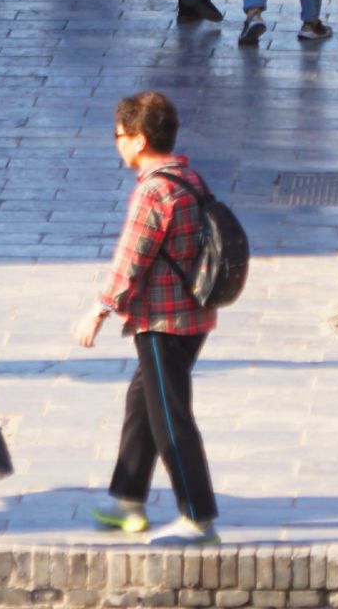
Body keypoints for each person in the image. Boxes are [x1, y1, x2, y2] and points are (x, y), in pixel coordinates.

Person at [76, 90, 222, 542]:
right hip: (194, 315)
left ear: (138, 140)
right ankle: (128, 498)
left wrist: (98, 311)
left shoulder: (153, 191)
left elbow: (130, 261)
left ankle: (197, 517)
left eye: (119, 135)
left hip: (163, 322)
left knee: (169, 416)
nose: (116, 143)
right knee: (143, 403)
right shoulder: (187, 177)